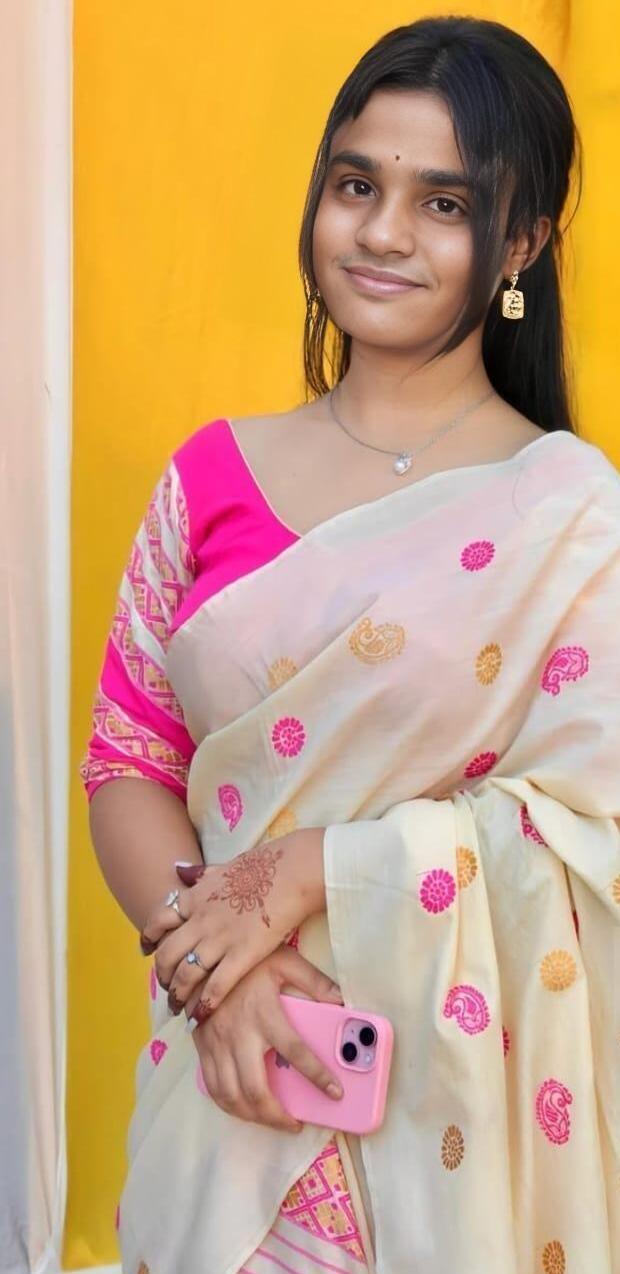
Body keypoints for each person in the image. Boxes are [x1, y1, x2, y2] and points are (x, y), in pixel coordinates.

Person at [81, 15, 620, 1274]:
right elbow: (126, 759)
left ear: (520, 243)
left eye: (443, 204)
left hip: (465, 1122)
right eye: (355, 184)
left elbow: (593, 830)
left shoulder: (568, 515)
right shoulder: (209, 476)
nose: (381, 233)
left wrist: (312, 868)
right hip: (227, 1094)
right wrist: (218, 976)